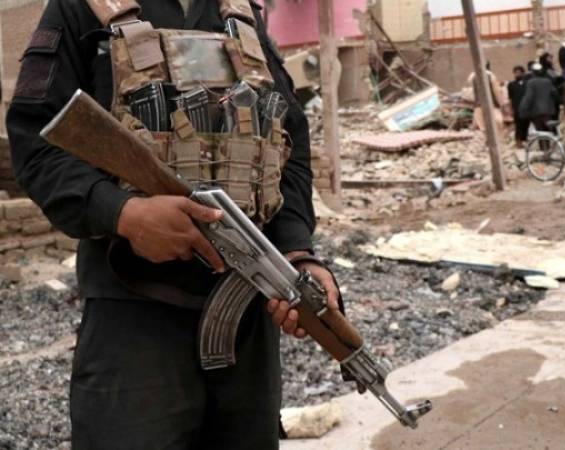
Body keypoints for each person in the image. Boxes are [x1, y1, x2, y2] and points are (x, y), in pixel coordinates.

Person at [6, 0, 340, 448]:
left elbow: (289, 146)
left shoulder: (241, 12)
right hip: (134, 319)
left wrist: (299, 253)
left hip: (248, 317)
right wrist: (121, 213)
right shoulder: (82, 7)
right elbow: (37, 139)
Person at [519, 64, 560, 132]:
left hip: (536, 112)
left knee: (541, 132)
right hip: (548, 111)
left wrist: (523, 110)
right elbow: (555, 94)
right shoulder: (548, 81)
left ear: (533, 72)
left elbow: (529, 97)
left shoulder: (531, 83)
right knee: (549, 131)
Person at [468, 62, 506, 133]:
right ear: (488, 67)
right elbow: (496, 91)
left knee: (483, 128)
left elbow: (472, 92)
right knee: (498, 124)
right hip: (491, 105)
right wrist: (501, 103)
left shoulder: (473, 76)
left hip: (478, 105)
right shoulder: (490, 75)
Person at [508, 66, 530, 147]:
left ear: (523, 73)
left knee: (526, 124)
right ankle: (518, 141)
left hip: (526, 108)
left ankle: (524, 139)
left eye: (519, 73)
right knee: (518, 125)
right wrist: (511, 109)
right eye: (515, 73)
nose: (517, 74)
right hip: (517, 108)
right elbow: (510, 98)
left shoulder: (527, 84)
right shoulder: (511, 85)